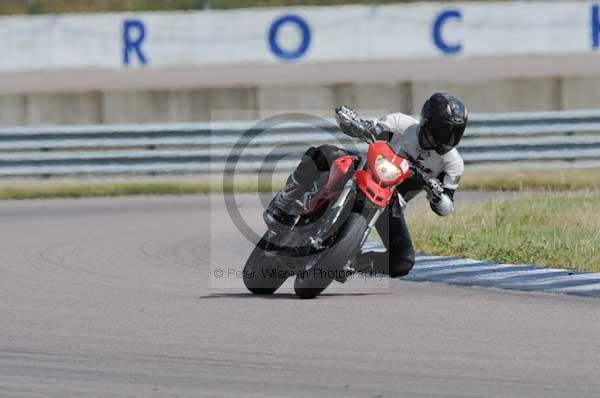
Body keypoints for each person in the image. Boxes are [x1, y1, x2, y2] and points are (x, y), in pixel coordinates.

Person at [266, 93, 467, 277]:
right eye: (443, 130)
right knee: (324, 153)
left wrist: (437, 195)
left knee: (403, 261)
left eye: (454, 133)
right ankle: (284, 201)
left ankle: (352, 261)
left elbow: (447, 207)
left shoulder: (452, 163)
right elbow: (369, 128)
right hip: (364, 172)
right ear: (428, 122)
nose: (447, 139)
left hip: (390, 203)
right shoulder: (402, 124)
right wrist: (351, 121)